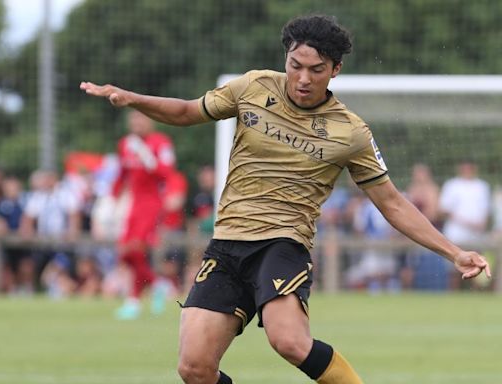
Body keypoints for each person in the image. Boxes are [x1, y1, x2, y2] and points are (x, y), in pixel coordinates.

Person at [81, 14, 490, 384]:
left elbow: (392, 202)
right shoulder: (253, 86)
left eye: (316, 70)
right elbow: (189, 111)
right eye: (296, 66)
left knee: (289, 341)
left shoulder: (351, 132)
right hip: (227, 244)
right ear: (286, 59)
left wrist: (454, 252)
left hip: (283, 243)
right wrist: (133, 98)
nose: (303, 79)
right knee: (194, 367)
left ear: (335, 70)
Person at [110, 109, 176, 319]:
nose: (137, 123)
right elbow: (122, 174)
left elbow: (167, 173)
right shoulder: (125, 144)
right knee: (125, 253)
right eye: (134, 119)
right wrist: (113, 197)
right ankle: (156, 285)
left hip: (151, 205)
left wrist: (147, 156)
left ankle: (134, 300)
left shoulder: (161, 143)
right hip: (132, 205)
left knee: (136, 249)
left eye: (141, 118)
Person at [439, 159, 491, 289]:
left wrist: (481, 224)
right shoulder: (452, 185)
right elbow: (444, 210)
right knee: (453, 268)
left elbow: (486, 211)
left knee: (477, 265)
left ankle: (476, 296)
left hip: (476, 235)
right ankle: (453, 295)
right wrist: (467, 223)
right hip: (456, 234)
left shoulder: (482, 186)